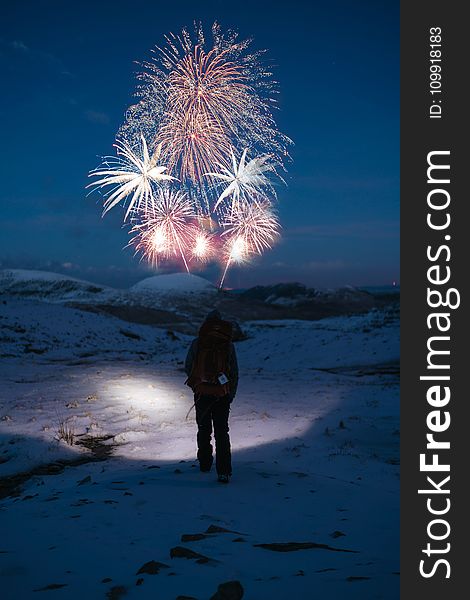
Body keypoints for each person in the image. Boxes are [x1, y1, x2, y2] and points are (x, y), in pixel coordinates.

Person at [185, 309, 238, 483]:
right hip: (222, 394)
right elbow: (234, 372)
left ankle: (205, 463)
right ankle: (224, 471)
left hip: (202, 394)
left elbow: (188, 367)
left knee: (204, 428)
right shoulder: (228, 345)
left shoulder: (197, 343)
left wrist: (197, 386)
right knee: (222, 432)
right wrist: (229, 394)